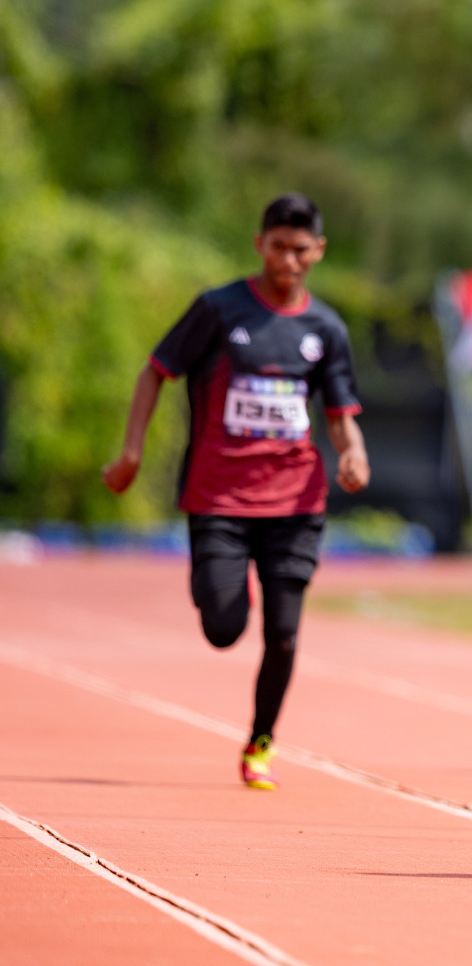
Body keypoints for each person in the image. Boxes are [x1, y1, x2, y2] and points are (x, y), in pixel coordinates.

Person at [103, 193, 369, 790]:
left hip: (296, 503)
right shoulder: (218, 310)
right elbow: (156, 370)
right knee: (224, 628)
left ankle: (261, 742)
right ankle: (232, 584)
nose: (289, 260)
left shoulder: (325, 328)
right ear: (260, 245)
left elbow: (340, 412)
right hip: (219, 499)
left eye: (301, 250)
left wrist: (353, 451)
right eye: (278, 247)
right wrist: (132, 451)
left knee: (285, 632)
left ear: (318, 252)